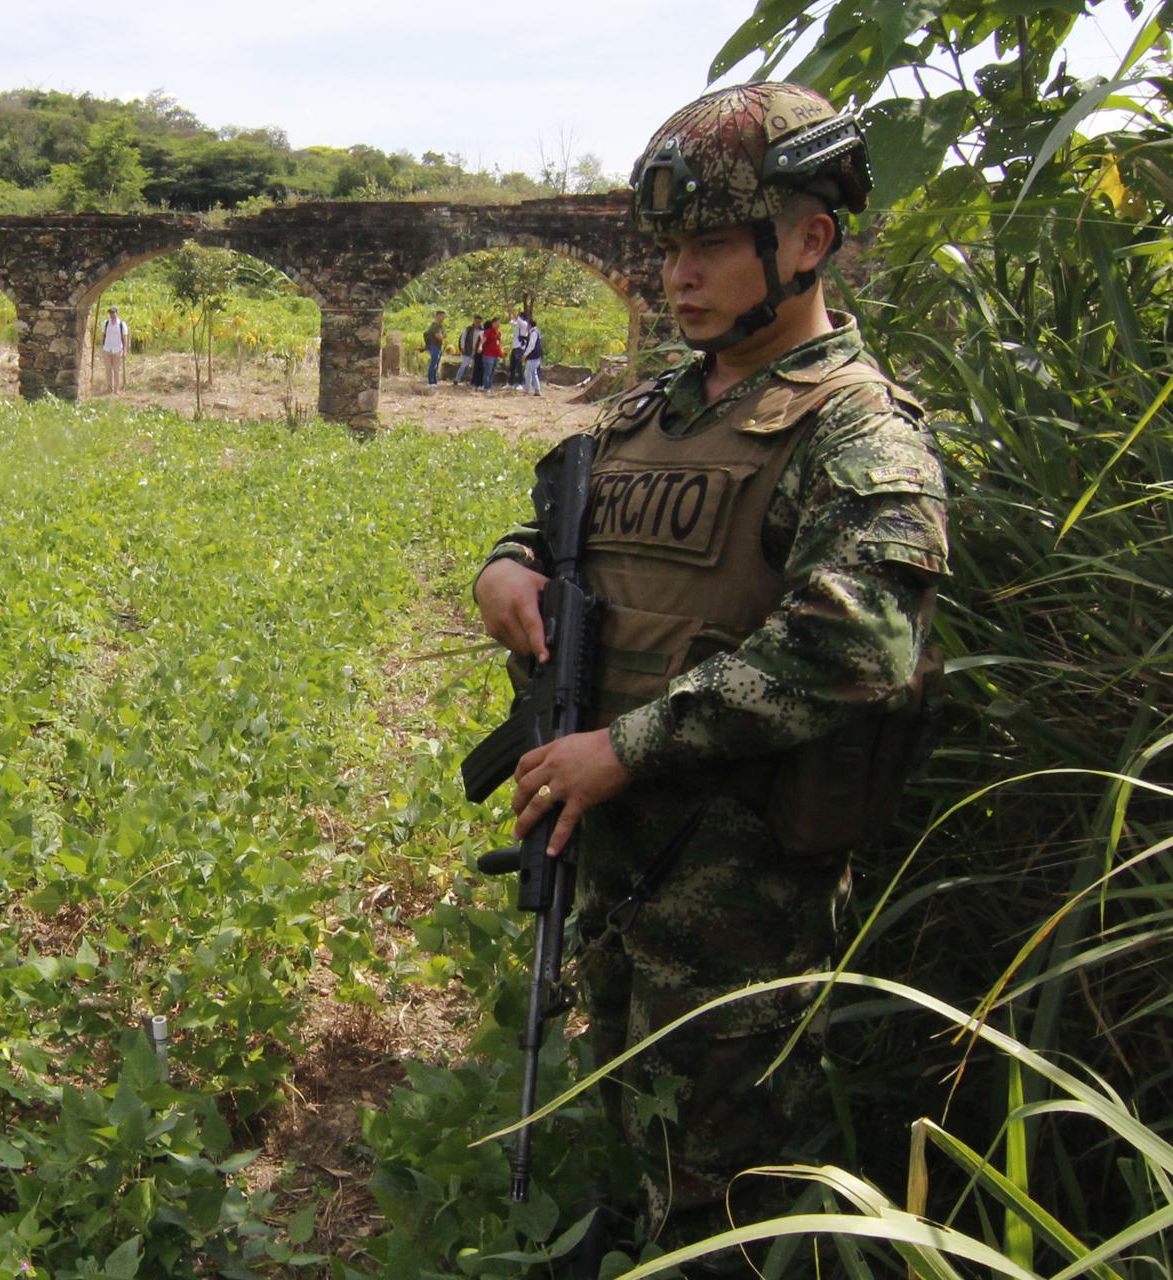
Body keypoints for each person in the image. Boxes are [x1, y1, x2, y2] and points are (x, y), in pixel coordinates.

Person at [471, 82, 948, 1263]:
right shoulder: (657, 408)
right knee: (637, 1117)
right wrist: (506, 568)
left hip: (739, 888)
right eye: (669, 249)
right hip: (616, 855)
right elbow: (569, 534)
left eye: (710, 246)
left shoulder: (857, 428)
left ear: (808, 240)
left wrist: (626, 746)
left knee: (729, 1178)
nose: (678, 276)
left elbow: (859, 641)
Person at [100, 305, 130, 393]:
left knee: (116, 370)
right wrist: (102, 348)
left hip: (117, 349)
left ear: (117, 313)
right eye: (110, 313)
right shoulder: (105, 323)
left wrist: (125, 351)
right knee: (108, 370)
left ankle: (116, 389)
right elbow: (103, 336)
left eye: (113, 312)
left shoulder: (121, 324)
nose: (112, 314)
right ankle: (109, 388)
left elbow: (125, 338)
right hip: (107, 349)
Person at [454, 315, 481, 386]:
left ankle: (473, 381)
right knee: (464, 365)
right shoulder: (468, 329)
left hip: (477, 351)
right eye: (476, 321)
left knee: (475, 367)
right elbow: (463, 338)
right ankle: (457, 379)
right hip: (467, 350)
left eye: (479, 321)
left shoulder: (482, 330)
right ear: (474, 321)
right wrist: (462, 347)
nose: (477, 323)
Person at [520, 317, 543, 396]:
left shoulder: (533, 333)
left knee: (527, 373)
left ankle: (527, 390)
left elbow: (531, 345)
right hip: (537, 355)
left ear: (530, 325)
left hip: (533, 356)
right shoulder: (537, 332)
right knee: (533, 373)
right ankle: (537, 390)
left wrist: (525, 354)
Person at [508, 308, 531, 388]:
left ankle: (520, 383)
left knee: (519, 366)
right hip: (514, 347)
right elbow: (511, 321)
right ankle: (510, 383)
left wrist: (512, 311)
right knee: (512, 366)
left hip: (520, 348)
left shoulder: (524, 324)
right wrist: (509, 312)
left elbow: (517, 318)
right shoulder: (518, 325)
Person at [478, 317, 503, 389]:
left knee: (492, 372)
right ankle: (486, 387)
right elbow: (483, 340)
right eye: (497, 323)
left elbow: (498, 344)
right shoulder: (488, 332)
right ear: (493, 323)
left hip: (495, 355)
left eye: (499, 323)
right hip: (488, 355)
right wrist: (480, 346)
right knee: (487, 372)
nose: (498, 324)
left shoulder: (498, 333)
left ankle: (489, 386)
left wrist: (500, 353)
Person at [424, 310, 447, 385]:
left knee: (435, 365)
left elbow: (443, 336)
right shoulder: (435, 326)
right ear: (438, 316)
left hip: (438, 347)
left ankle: (434, 382)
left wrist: (443, 335)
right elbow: (439, 337)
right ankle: (431, 382)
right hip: (434, 347)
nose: (443, 318)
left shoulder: (440, 326)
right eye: (442, 316)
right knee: (433, 365)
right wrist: (443, 335)